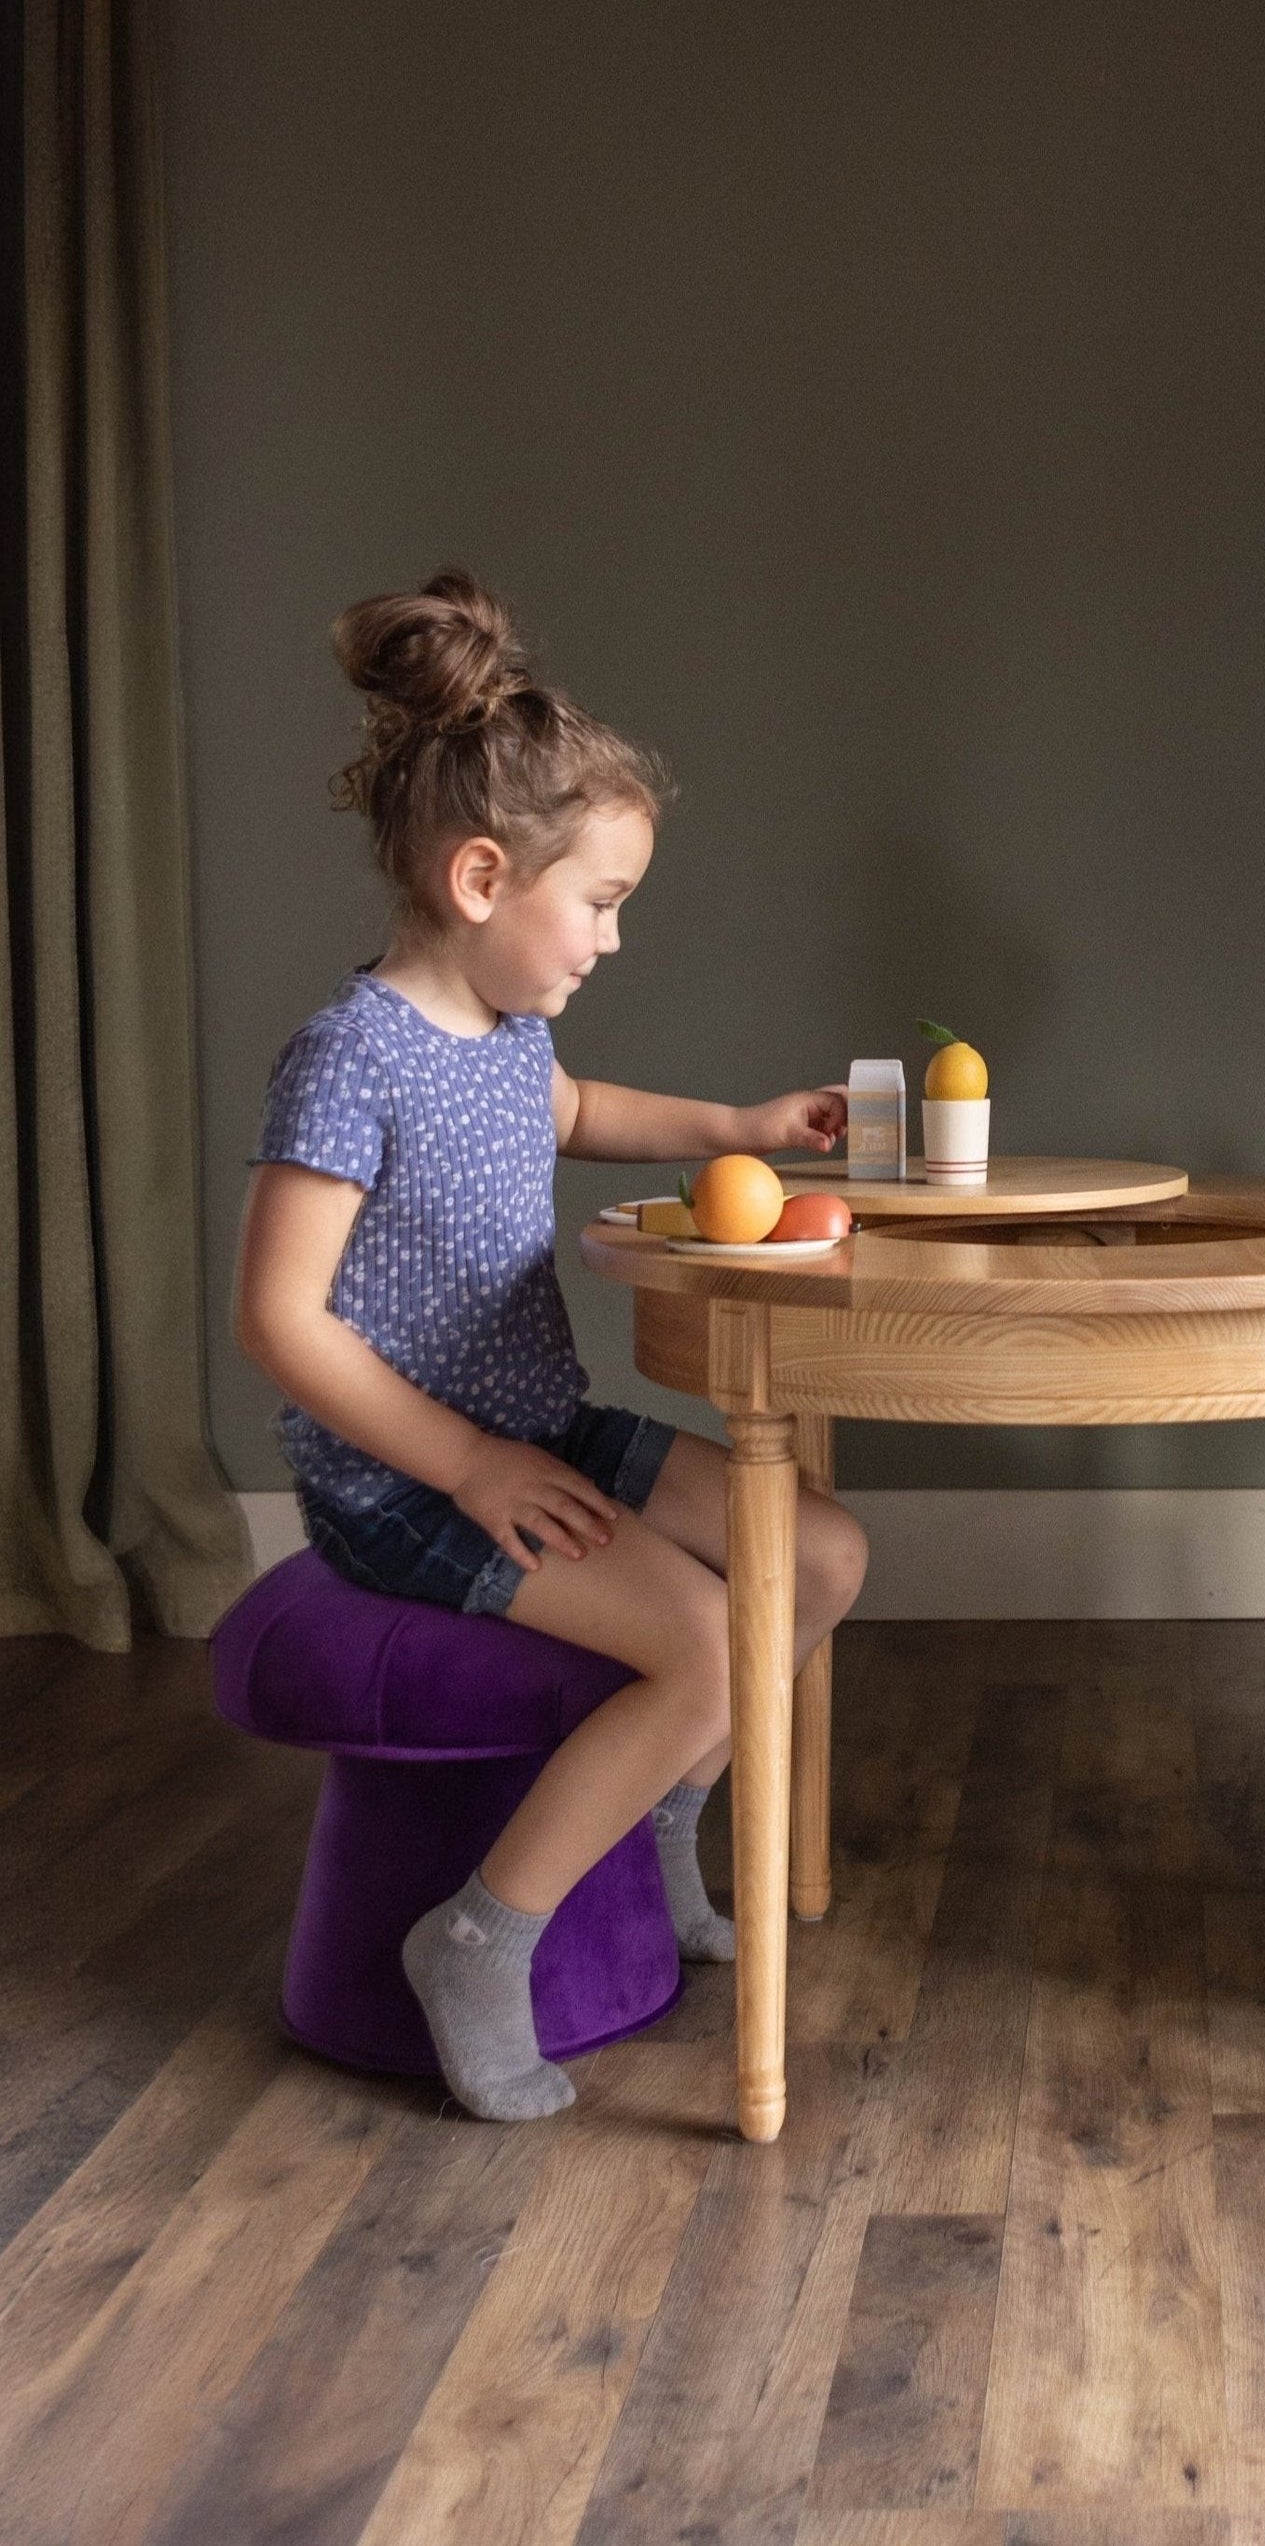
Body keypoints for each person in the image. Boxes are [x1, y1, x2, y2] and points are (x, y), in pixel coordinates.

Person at [234, 569, 868, 2121]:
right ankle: (476, 1938)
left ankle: (660, 1811)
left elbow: (570, 1111)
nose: (614, 938)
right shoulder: (349, 1058)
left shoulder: (508, 1035)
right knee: (714, 1642)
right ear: (476, 880)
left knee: (824, 1551)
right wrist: (467, 1465)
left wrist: (736, 1126)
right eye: (599, 903)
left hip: (537, 1424)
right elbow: (276, 1316)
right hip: (412, 1481)